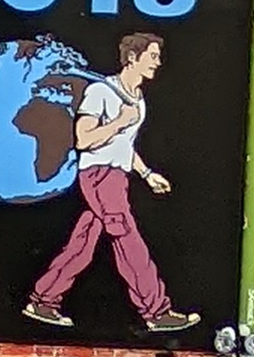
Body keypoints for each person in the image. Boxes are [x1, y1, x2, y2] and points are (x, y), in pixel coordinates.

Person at [22, 30, 201, 336]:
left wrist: (146, 174)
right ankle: (156, 311)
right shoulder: (101, 92)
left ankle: (43, 301)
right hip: (100, 176)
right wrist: (119, 121)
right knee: (129, 240)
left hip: (117, 176)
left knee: (83, 243)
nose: (158, 63)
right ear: (132, 57)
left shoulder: (138, 100)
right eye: (152, 56)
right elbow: (83, 139)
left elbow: (124, 147)